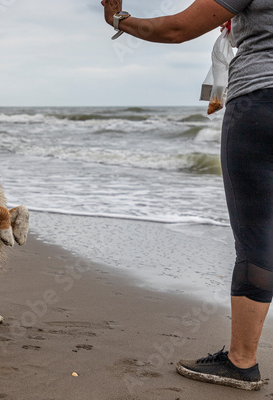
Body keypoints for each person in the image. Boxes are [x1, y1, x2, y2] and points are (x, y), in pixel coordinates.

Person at [101, 0, 273, 391]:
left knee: (257, 234)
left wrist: (118, 20)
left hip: (262, 103)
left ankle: (241, 361)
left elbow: (176, 29)